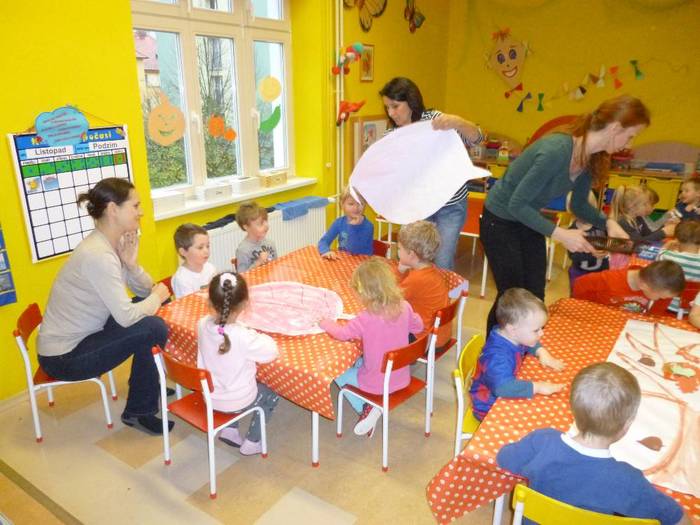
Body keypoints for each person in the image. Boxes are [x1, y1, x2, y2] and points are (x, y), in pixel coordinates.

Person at [480, 95, 648, 333]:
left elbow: (578, 205)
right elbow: (516, 204)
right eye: (630, 136)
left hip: (527, 219)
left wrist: (608, 223)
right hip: (500, 221)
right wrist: (561, 234)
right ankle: (494, 351)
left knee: (534, 296)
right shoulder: (556, 151)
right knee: (512, 297)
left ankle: (526, 348)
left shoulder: (591, 157)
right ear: (615, 128)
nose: (629, 144)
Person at [37, 178, 172, 435]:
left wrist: (131, 265)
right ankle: (139, 411)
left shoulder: (108, 245)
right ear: (113, 210)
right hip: (64, 357)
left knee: (148, 311)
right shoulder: (98, 255)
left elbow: (144, 292)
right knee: (153, 326)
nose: (141, 212)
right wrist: (156, 296)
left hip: (87, 334)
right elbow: (127, 316)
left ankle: (146, 382)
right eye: (135, 205)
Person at [497, 362, 688, 525]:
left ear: (573, 409)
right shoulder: (627, 480)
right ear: (626, 426)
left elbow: (504, 458)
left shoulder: (542, 441)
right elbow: (676, 517)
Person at [380, 77, 483, 270]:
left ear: (411, 101)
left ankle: (440, 290)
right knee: (412, 259)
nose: (391, 113)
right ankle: (417, 290)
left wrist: (458, 122)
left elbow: (477, 138)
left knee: (442, 262)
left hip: (450, 205)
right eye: (387, 107)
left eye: (395, 106)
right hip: (418, 206)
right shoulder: (392, 136)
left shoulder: (435, 120)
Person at [319, 258, 423, 437]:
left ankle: (368, 408)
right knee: (360, 362)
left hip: (376, 382)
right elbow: (419, 327)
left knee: (337, 372)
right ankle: (372, 406)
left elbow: (342, 334)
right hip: (401, 377)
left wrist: (325, 323)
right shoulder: (404, 306)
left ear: (365, 294)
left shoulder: (365, 318)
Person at [197, 272, 279, 456]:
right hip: (238, 400)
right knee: (271, 394)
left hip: (211, 397)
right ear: (244, 304)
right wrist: (254, 333)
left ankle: (230, 430)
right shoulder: (242, 336)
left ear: (209, 302)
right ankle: (252, 442)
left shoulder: (201, 324)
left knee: (229, 379)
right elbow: (272, 351)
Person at [469, 288, 565, 425]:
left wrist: (542, 352)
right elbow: (503, 388)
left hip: (505, 390)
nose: (541, 334)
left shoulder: (509, 335)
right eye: (536, 330)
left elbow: (528, 343)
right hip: (489, 408)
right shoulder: (497, 356)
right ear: (513, 330)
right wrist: (537, 387)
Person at [396, 220, 450, 347]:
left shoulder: (416, 279)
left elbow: (390, 298)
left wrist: (398, 272)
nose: (397, 252)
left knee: (381, 327)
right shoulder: (431, 270)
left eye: (399, 248)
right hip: (439, 335)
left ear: (411, 254)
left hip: (425, 341)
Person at [572, 260, 685, 313]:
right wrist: (587, 309)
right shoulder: (608, 280)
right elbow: (580, 283)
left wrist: (652, 316)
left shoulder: (656, 284)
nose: (663, 299)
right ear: (643, 286)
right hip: (600, 321)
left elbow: (663, 302)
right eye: (660, 297)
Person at [566, 191, 609, 288]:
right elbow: (572, 255)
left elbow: (614, 244)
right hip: (578, 273)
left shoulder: (602, 226)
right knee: (577, 294)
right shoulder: (571, 231)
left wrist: (607, 251)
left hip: (601, 274)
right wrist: (590, 252)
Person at [318, 187, 373, 259]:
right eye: (351, 204)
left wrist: (353, 227)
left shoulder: (368, 226)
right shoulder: (339, 223)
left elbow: (354, 249)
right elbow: (324, 241)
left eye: (360, 203)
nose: (356, 208)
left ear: (365, 205)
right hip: (343, 260)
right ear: (342, 205)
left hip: (363, 262)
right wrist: (326, 251)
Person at [658, 219, 700, 313]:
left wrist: (666, 246)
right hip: (693, 308)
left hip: (666, 304)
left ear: (677, 239)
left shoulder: (668, 256)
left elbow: (659, 256)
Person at [171, 223, 217, 298]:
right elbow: (187, 303)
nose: (206, 251)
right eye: (200, 247)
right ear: (183, 252)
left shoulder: (210, 268)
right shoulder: (181, 279)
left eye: (207, 246)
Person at [235, 201, 277, 272]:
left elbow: (276, 265)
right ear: (246, 227)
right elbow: (241, 276)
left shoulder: (270, 244)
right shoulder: (243, 250)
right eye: (261, 223)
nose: (266, 225)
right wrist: (258, 262)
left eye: (266, 221)